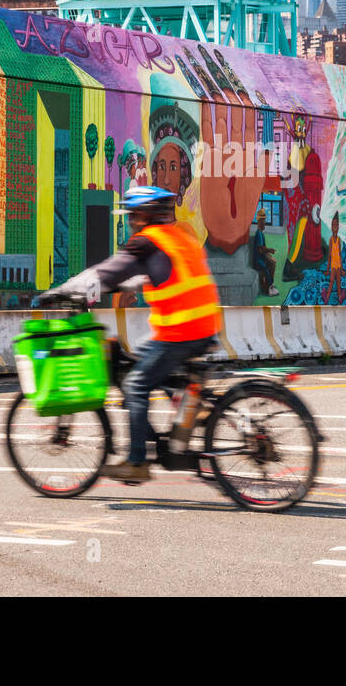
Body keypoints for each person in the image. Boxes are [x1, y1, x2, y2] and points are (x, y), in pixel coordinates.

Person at [45, 186, 222, 483]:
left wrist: (63, 290)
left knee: (137, 384)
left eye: (132, 216)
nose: (131, 221)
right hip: (200, 325)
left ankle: (137, 461)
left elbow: (108, 271)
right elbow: (144, 276)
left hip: (181, 331)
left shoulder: (147, 243)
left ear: (143, 215)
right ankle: (190, 414)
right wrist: (116, 286)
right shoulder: (177, 237)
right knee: (141, 362)